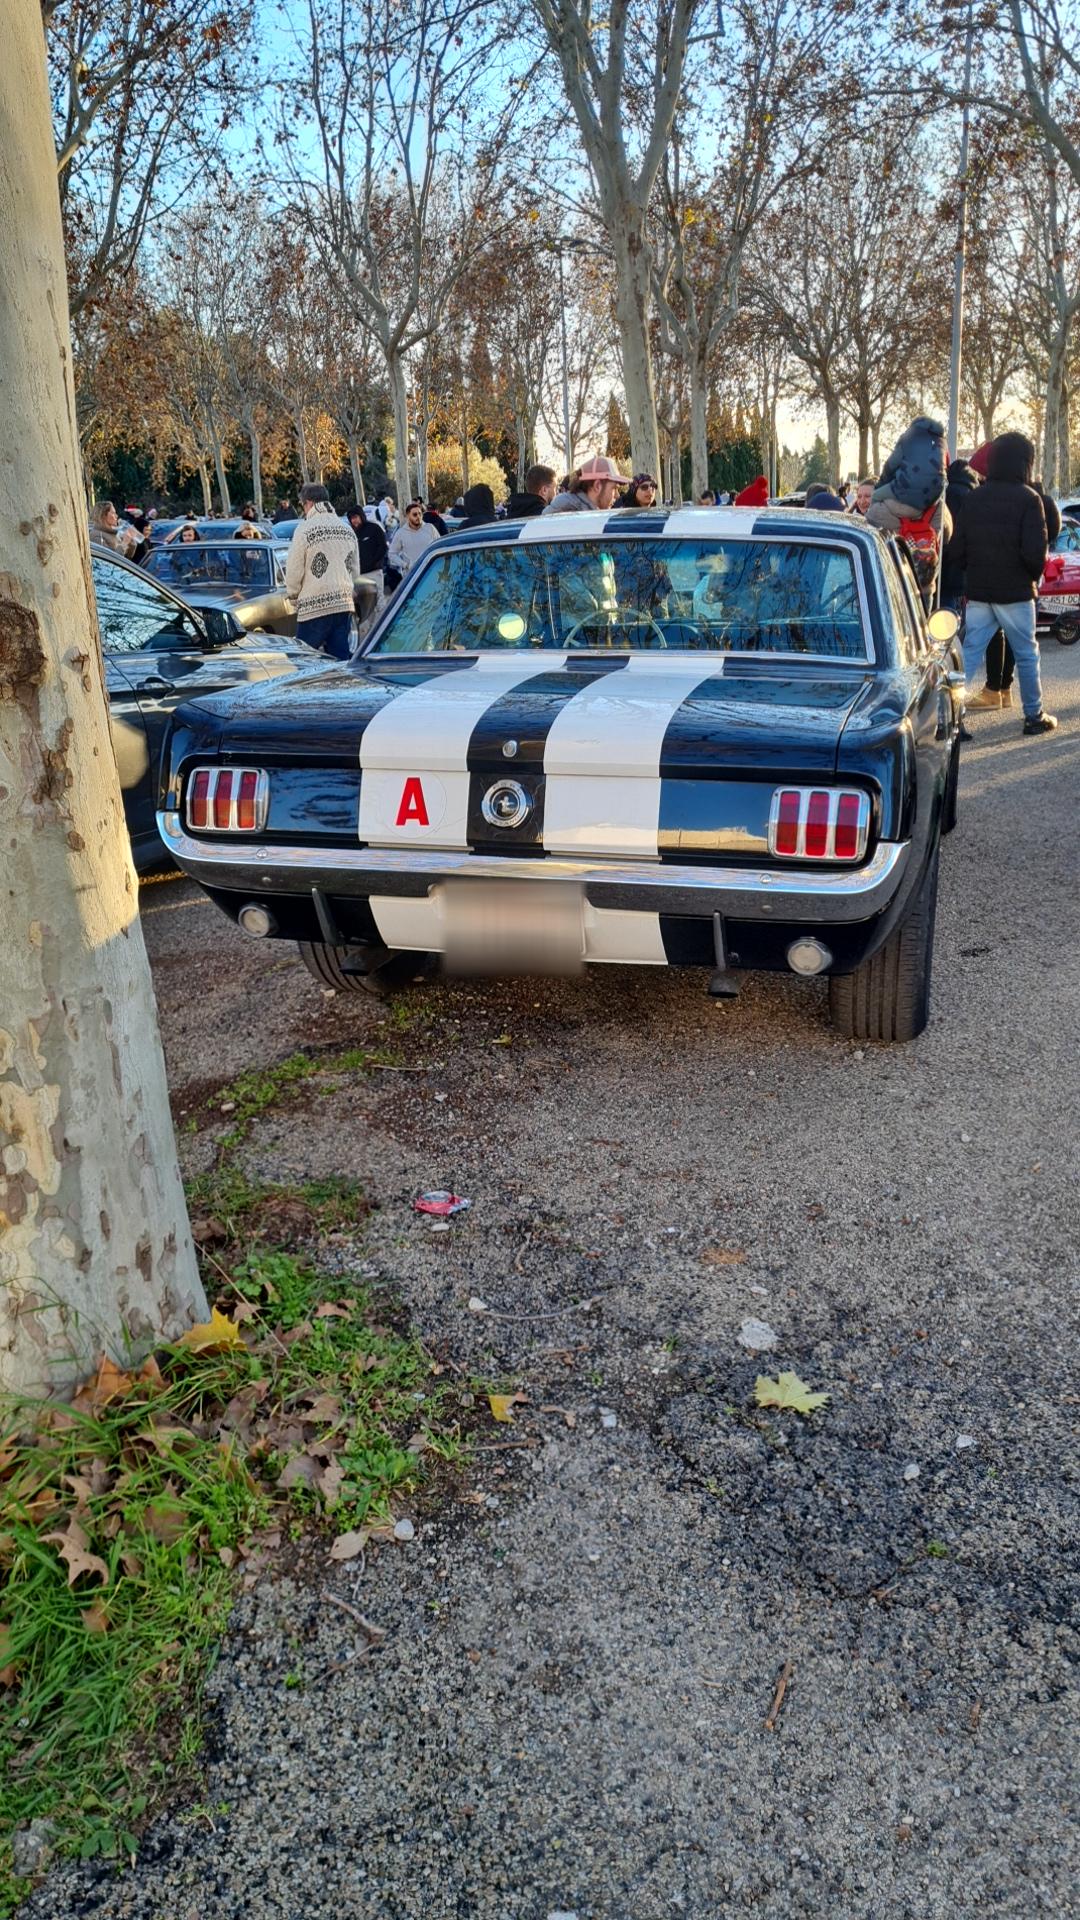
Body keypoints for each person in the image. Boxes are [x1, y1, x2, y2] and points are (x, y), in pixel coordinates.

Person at [947, 431, 1056, 735]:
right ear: (1024, 462)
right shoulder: (1029, 499)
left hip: (980, 591)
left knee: (969, 655)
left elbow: (958, 549)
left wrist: (974, 572)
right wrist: (1031, 578)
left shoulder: (974, 497)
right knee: (1026, 655)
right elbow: (1036, 552)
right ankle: (1033, 716)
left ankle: (955, 718)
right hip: (1017, 592)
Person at [284, 481, 361, 660]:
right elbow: (355, 570)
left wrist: (294, 596)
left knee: (301, 659)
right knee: (340, 659)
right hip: (343, 602)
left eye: (303, 505)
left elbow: (294, 570)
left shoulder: (304, 530)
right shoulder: (346, 529)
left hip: (314, 605)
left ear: (309, 503)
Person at [866, 417, 948, 533]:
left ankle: (871, 531)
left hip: (905, 487)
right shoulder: (942, 442)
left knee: (876, 496)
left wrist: (881, 484)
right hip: (933, 494)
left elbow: (891, 465)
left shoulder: (909, 436)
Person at [542, 455, 630, 514]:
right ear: (597, 486)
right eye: (614, 488)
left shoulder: (580, 510)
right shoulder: (571, 515)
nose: (617, 496)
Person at [386, 498, 440, 579]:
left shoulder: (430, 528)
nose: (418, 516)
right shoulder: (401, 533)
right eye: (415, 514)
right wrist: (405, 565)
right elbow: (391, 554)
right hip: (412, 577)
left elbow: (440, 547)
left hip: (431, 573)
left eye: (420, 514)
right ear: (408, 516)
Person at [345, 502, 389, 580]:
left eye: (355, 517)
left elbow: (383, 546)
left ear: (361, 516)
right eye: (351, 518)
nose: (353, 520)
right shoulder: (351, 534)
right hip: (359, 575)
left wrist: (375, 563)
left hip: (374, 572)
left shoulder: (374, 528)